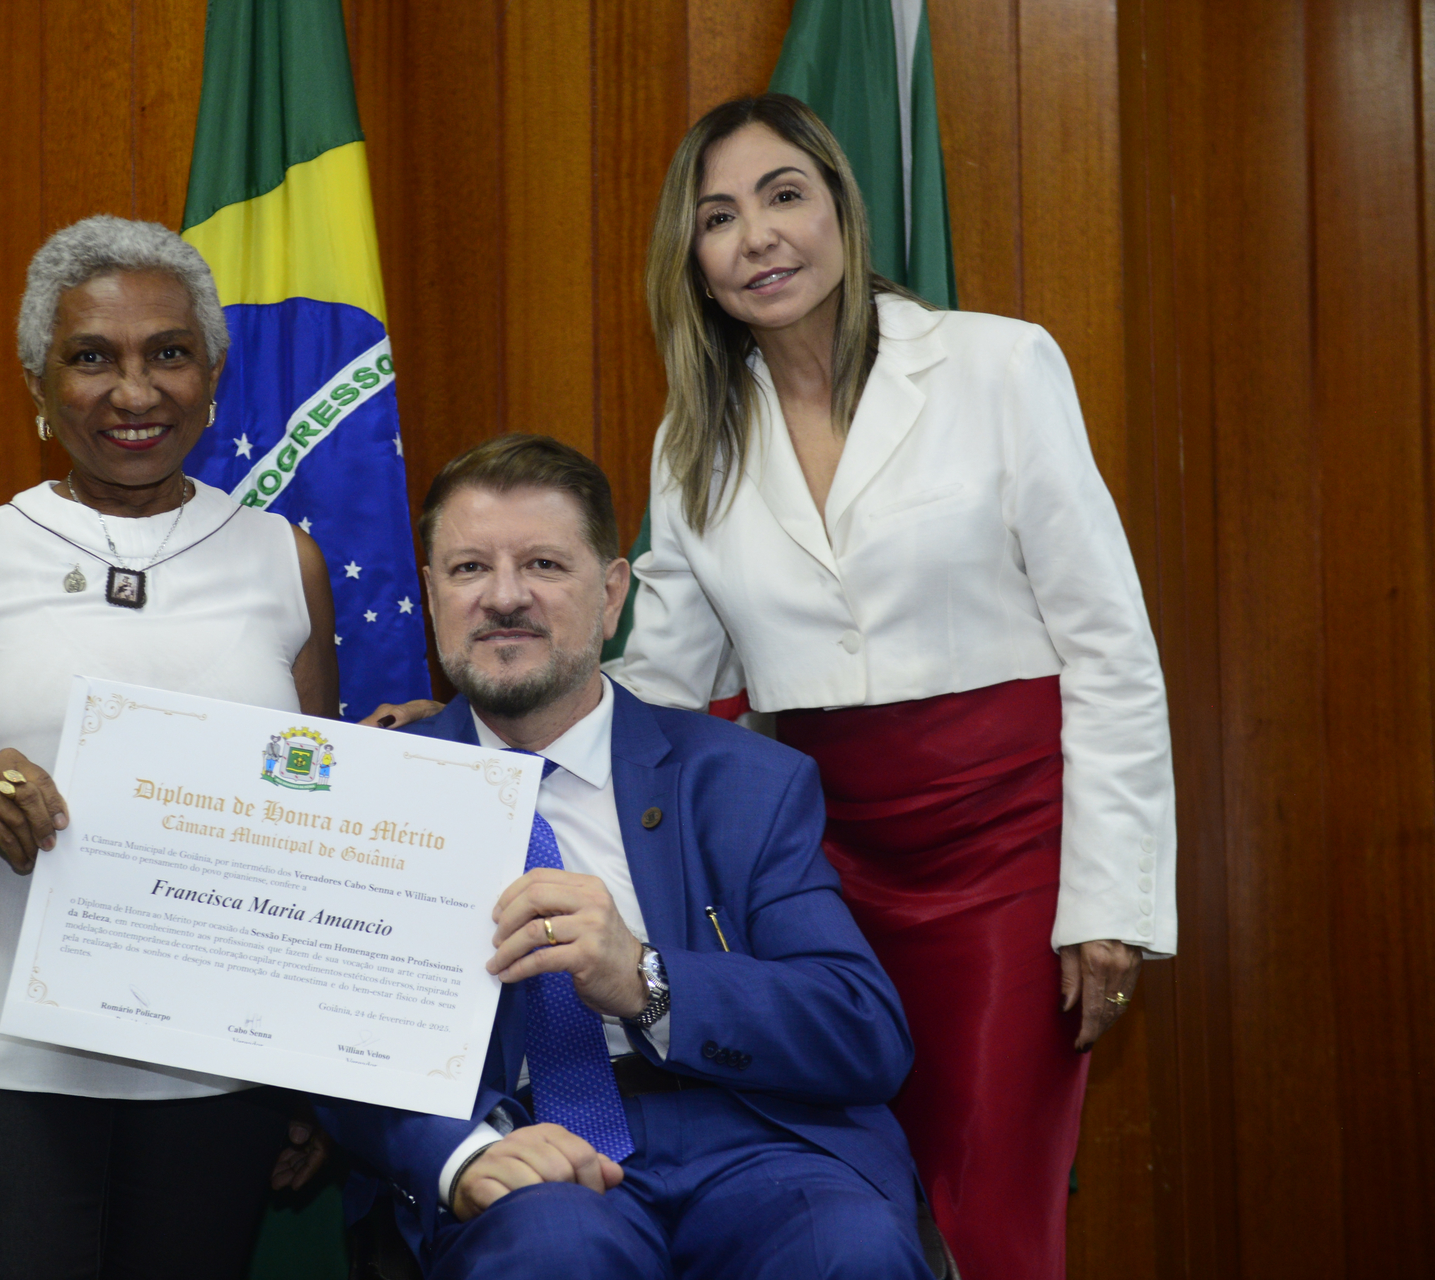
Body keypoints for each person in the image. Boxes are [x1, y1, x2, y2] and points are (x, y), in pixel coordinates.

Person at [606, 94, 1176, 1279]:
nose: (759, 236)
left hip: (1013, 852)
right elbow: (663, 679)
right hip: (818, 877)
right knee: (854, 1185)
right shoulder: (693, 436)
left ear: (841, 210)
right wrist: (476, 728)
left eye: (784, 196)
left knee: (987, 1198)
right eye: (719, 217)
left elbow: (1111, 646)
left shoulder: (998, 364)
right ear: (693, 261)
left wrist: (1109, 900)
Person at [0, 215, 336, 1280]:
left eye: (169, 353)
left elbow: (309, 828)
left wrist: (311, 1066)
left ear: (212, 377)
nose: (133, 391)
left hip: (216, 1058)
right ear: (39, 383)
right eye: (92, 357)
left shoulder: (284, 561)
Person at [321, 434, 937, 1280]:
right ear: (431, 596)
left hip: (752, 1136)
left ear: (612, 594)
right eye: (469, 569)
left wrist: (647, 980)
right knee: (554, 1257)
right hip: (530, 1150)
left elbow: (862, 1031)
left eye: (543, 564)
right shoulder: (374, 789)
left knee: (849, 1252)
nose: (505, 596)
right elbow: (329, 1040)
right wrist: (461, 1155)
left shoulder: (747, 780)